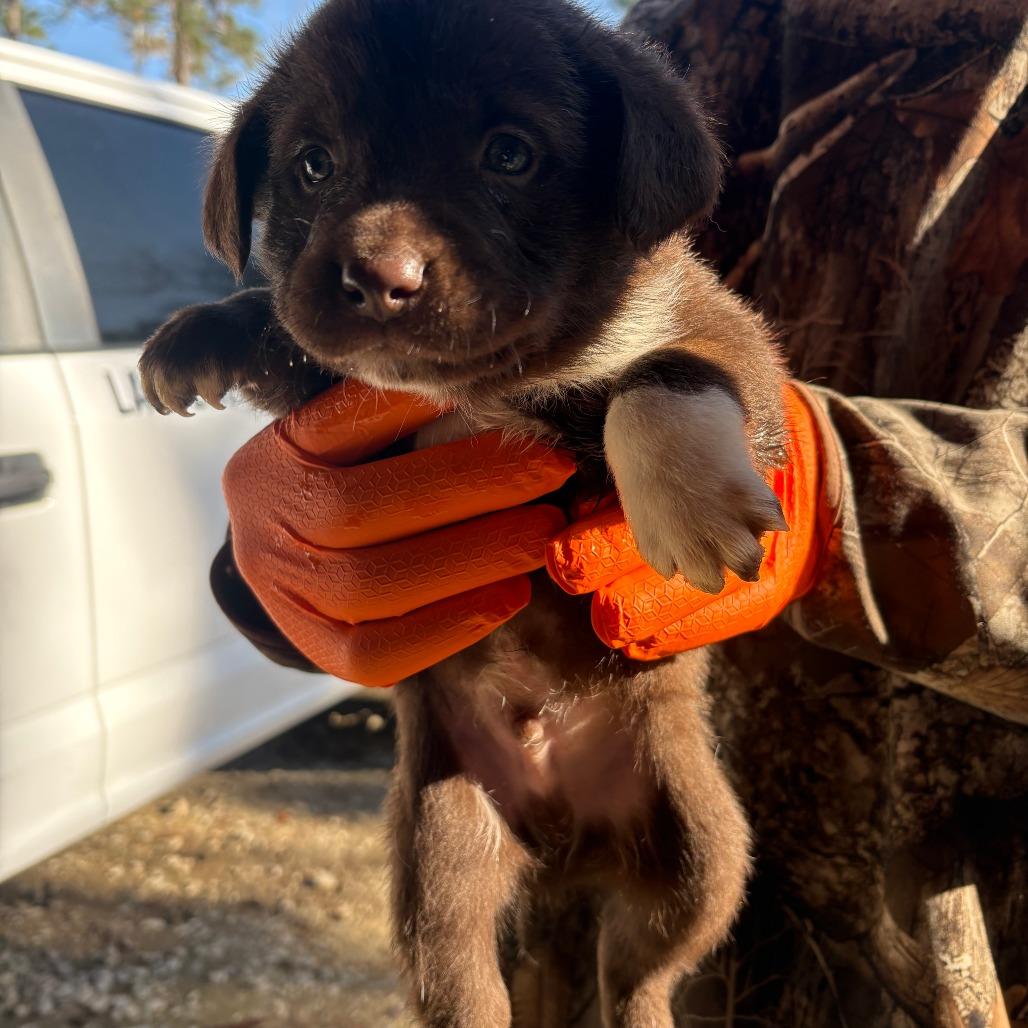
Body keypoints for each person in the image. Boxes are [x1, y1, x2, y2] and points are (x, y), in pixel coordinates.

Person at [210, 1, 1028, 1022]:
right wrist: (286, 573)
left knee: (680, 872)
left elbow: (681, 320)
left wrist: (853, 499)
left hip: (948, 948)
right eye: (316, 170)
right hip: (546, 926)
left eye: (505, 155)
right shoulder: (681, 32)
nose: (389, 254)